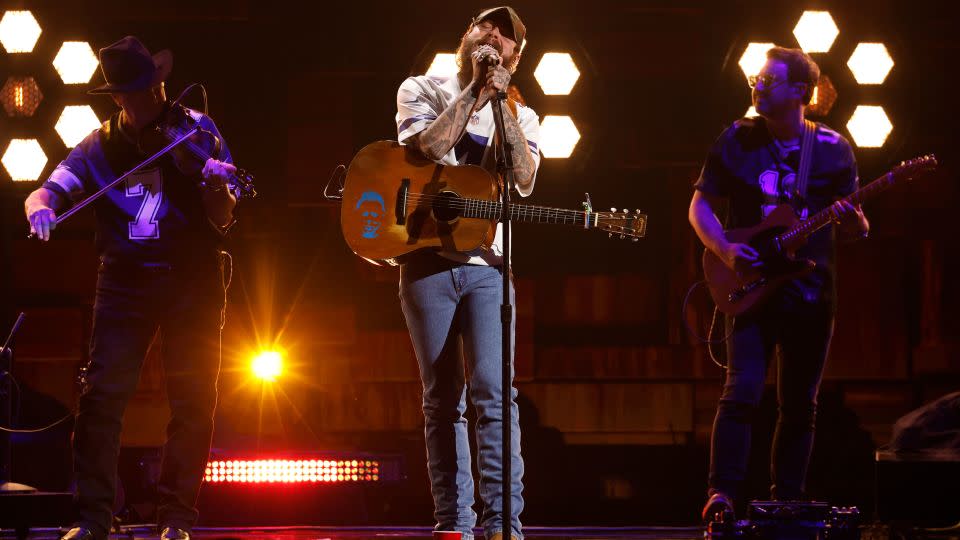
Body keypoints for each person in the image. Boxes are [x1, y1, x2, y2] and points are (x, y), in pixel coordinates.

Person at [23, 36, 239, 540]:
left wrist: (216, 189)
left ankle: (177, 519)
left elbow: (224, 219)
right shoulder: (98, 145)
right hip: (124, 281)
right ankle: (94, 518)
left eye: (155, 87)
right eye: (138, 92)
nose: (153, 100)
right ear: (118, 97)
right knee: (101, 398)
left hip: (193, 278)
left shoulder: (196, 130)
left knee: (192, 400)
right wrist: (39, 205)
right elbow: (49, 188)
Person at [688, 46, 870, 521]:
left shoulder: (833, 149)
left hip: (810, 293)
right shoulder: (738, 138)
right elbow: (700, 207)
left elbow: (858, 226)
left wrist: (853, 225)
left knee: (799, 405)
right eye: (756, 79)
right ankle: (721, 495)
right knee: (741, 390)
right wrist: (725, 250)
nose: (757, 87)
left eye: (768, 81)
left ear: (801, 92)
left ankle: (786, 502)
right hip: (748, 285)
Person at [394, 6, 541, 540]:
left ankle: (503, 524)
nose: (493, 35)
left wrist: (500, 102)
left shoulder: (523, 115)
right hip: (427, 257)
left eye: (505, 35)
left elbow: (523, 180)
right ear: (467, 35)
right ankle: (452, 523)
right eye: (486, 25)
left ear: (515, 59)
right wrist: (475, 91)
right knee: (441, 398)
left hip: (489, 267)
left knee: (495, 396)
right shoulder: (422, 88)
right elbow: (425, 148)